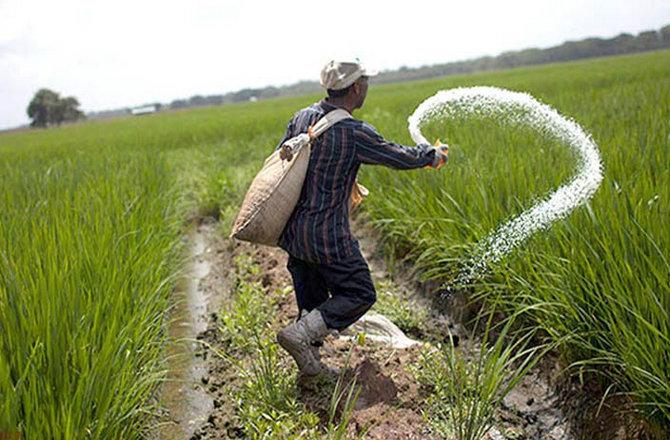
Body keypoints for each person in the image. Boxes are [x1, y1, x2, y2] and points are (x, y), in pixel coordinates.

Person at [275, 60, 449, 376]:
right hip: (327, 235)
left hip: (294, 233)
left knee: (313, 300)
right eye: (365, 81)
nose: (366, 86)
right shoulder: (352, 132)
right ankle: (299, 335)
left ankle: (310, 368)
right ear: (356, 87)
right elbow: (396, 155)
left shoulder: (301, 119)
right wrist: (431, 156)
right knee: (359, 293)